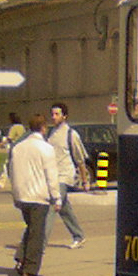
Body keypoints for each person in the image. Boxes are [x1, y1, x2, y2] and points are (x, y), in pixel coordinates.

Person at [7, 114, 58, 276]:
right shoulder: (46, 148)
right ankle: (30, 269)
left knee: (31, 227)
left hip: (22, 195)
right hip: (39, 196)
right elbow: (51, 175)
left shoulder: (18, 148)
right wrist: (56, 198)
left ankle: (21, 256)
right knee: (37, 233)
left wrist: (15, 194)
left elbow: (12, 172)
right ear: (44, 128)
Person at [45, 103, 88, 249]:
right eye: (52, 114)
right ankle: (79, 235)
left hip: (64, 176)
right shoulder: (50, 133)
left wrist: (84, 181)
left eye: (57, 114)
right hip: (53, 175)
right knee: (64, 208)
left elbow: (80, 159)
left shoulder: (71, 134)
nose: (53, 117)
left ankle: (40, 243)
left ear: (64, 116)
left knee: (52, 205)